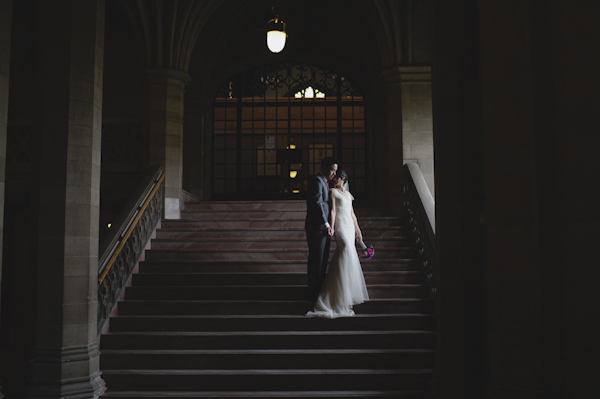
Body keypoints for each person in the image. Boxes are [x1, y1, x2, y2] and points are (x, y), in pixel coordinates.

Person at [306, 170, 369, 318]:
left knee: (350, 253)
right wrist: (332, 227)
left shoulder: (348, 195)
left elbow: (352, 213)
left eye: (337, 178)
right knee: (346, 248)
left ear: (344, 179)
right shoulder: (332, 192)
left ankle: (346, 292)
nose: (334, 180)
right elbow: (333, 211)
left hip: (349, 226)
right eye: (334, 178)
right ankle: (334, 296)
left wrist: (358, 231)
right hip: (340, 226)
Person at [305, 157, 338, 301]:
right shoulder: (317, 180)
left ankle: (318, 289)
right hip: (317, 227)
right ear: (324, 167)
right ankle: (313, 292)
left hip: (323, 227)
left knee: (322, 259)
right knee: (317, 260)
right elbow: (317, 204)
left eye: (335, 171)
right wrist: (326, 224)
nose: (333, 174)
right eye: (332, 170)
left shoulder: (324, 181)